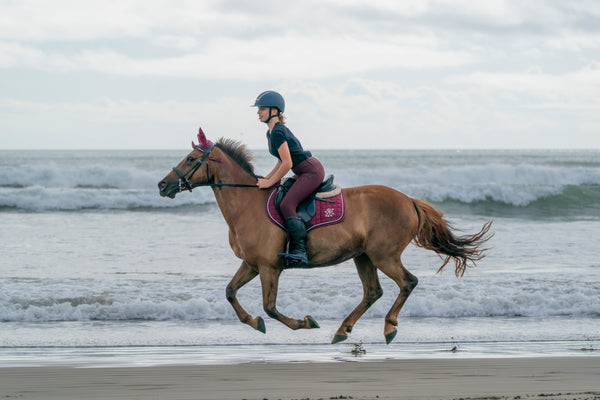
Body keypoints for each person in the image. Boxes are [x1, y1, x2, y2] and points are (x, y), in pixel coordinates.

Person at [252, 90, 325, 267]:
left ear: (274, 111)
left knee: (287, 204)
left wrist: (270, 182)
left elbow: (287, 163)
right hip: (301, 171)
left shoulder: (277, 132)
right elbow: (280, 161)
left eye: (262, 108)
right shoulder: (272, 132)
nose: (258, 112)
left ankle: (300, 251)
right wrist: (266, 179)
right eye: (258, 109)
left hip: (310, 172)